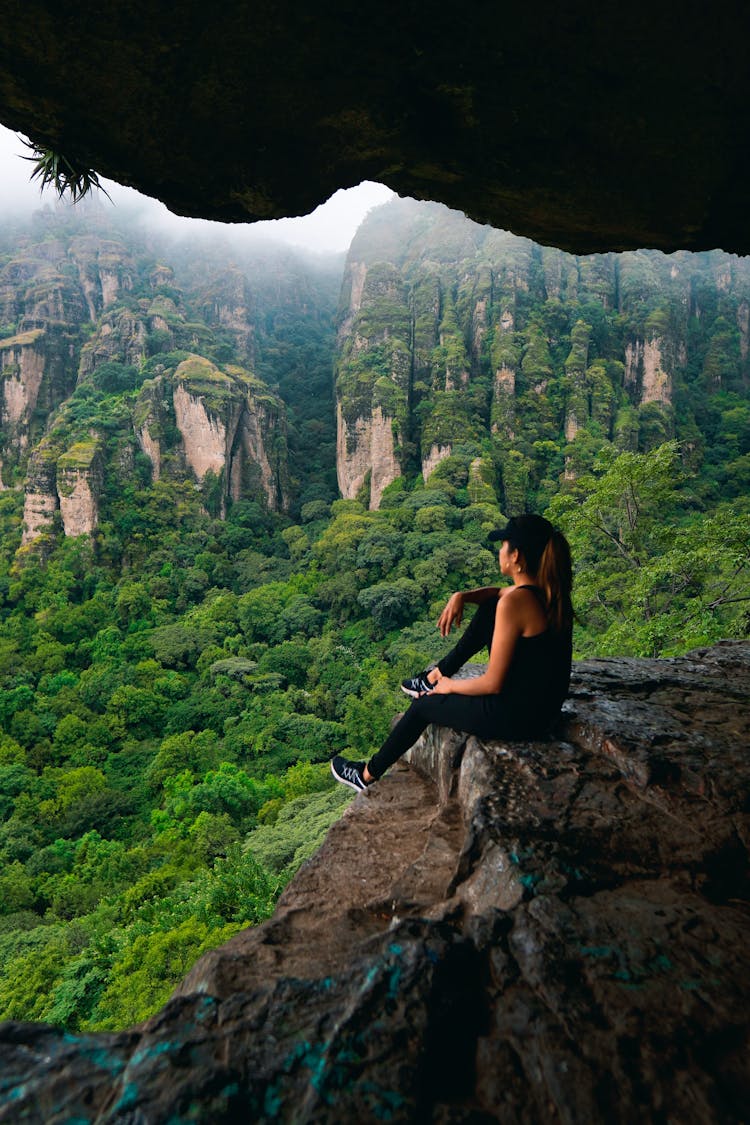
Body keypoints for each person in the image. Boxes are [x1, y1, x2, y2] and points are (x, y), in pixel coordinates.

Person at [330, 514, 573, 791]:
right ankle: (434, 675)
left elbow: (493, 683)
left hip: (518, 718)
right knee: (489, 606)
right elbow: (498, 594)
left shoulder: (516, 603)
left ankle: (366, 774)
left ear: (516, 555)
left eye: (503, 545)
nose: (499, 551)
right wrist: (463, 596)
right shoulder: (546, 591)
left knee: (423, 706)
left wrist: (449, 687)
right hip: (543, 710)